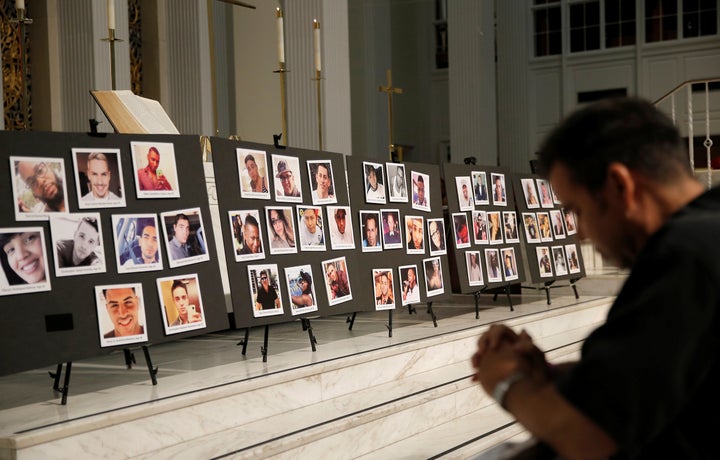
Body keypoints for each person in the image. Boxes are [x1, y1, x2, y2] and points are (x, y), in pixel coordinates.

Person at [471, 97, 719, 460]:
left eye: (577, 210)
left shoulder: (685, 255)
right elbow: (659, 375)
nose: (580, 233)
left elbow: (590, 440)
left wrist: (506, 382)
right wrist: (548, 371)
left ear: (620, 185)